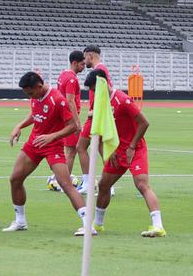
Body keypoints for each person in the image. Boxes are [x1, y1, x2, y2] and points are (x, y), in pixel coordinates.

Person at [3, 71, 92, 234]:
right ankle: (20, 221)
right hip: (34, 143)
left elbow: (73, 126)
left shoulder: (58, 100)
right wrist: (19, 126)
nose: (30, 97)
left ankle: (88, 225)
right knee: (15, 179)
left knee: (65, 184)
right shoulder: (36, 97)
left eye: (31, 93)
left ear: (38, 86)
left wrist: (52, 136)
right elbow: (35, 114)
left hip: (53, 146)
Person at [82, 69, 166, 237]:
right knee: (104, 185)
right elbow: (98, 132)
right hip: (116, 151)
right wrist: (108, 151)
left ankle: (158, 226)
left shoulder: (122, 100)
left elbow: (144, 123)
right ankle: (97, 225)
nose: (92, 93)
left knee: (142, 185)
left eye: (94, 88)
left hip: (135, 149)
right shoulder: (100, 103)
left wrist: (132, 146)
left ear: (103, 83)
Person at [48, 50, 85, 191]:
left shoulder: (63, 74)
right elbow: (70, 101)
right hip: (68, 119)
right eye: (82, 64)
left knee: (67, 150)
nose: (83, 67)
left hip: (62, 118)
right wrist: (77, 122)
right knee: (70, 151)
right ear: (74, 63)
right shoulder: (71, 79)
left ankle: (60, 178)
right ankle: (64, 183)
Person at [74, 45, 109, 195]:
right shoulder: (101, 69)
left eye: (85, 57)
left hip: (95, 117)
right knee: (102, 149)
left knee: (80, 147)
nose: (84, 60)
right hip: (97, 116)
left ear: (90, 56)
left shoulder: (99, 71)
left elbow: (107, 93)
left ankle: (89, 183)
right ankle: (108, 184)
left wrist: (94, 112)